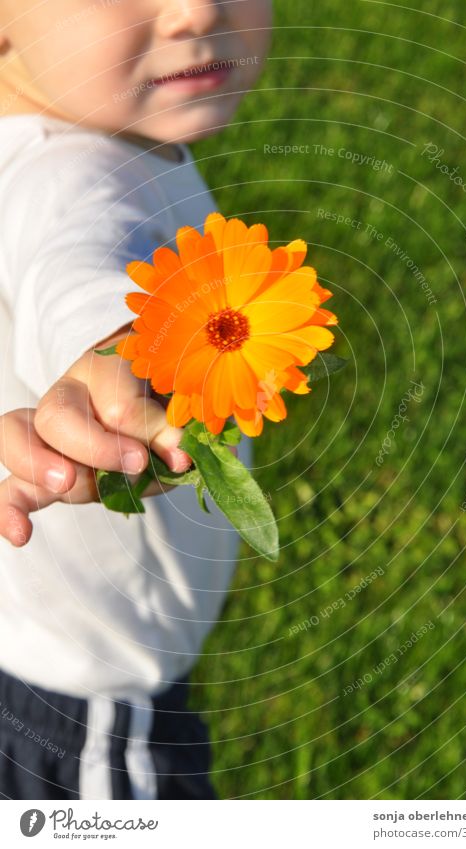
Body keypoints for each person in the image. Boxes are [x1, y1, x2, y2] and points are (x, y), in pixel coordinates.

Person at [0, 0, 272, 800]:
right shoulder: (69, 176)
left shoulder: (83, 134)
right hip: (85, 716)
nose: (196, 11)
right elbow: (79, 264)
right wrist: (121, 353)